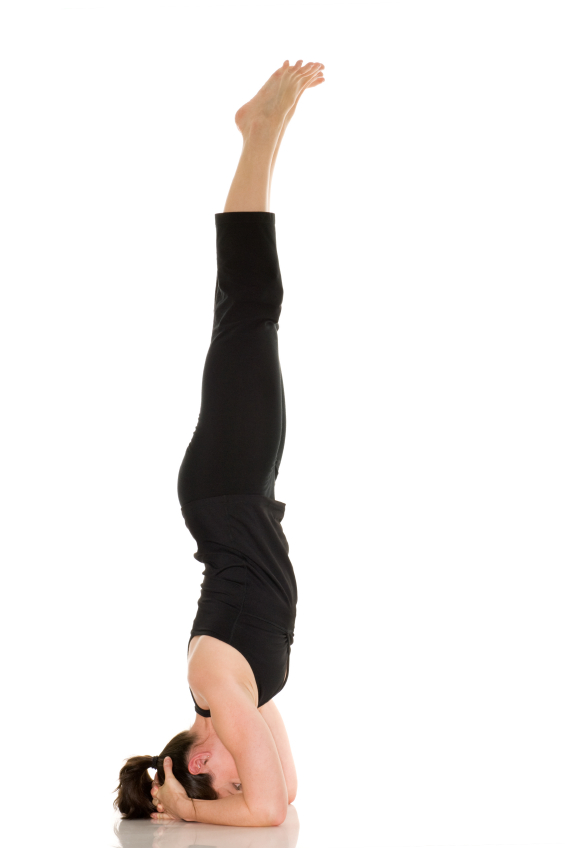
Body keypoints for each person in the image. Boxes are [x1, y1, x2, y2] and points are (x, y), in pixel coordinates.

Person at [113, 59, 325, 826]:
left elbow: (263, 810)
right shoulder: (243, 694)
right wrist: (190, 805)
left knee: (250, 309)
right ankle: (263, 137)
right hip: (241, 491)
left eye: (222, 781)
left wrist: (188, 810)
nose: (244, 775)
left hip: (227, 488)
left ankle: (256, 133)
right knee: (251, 312)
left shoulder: (215, 685)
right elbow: (285, 794)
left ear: (200, 760)